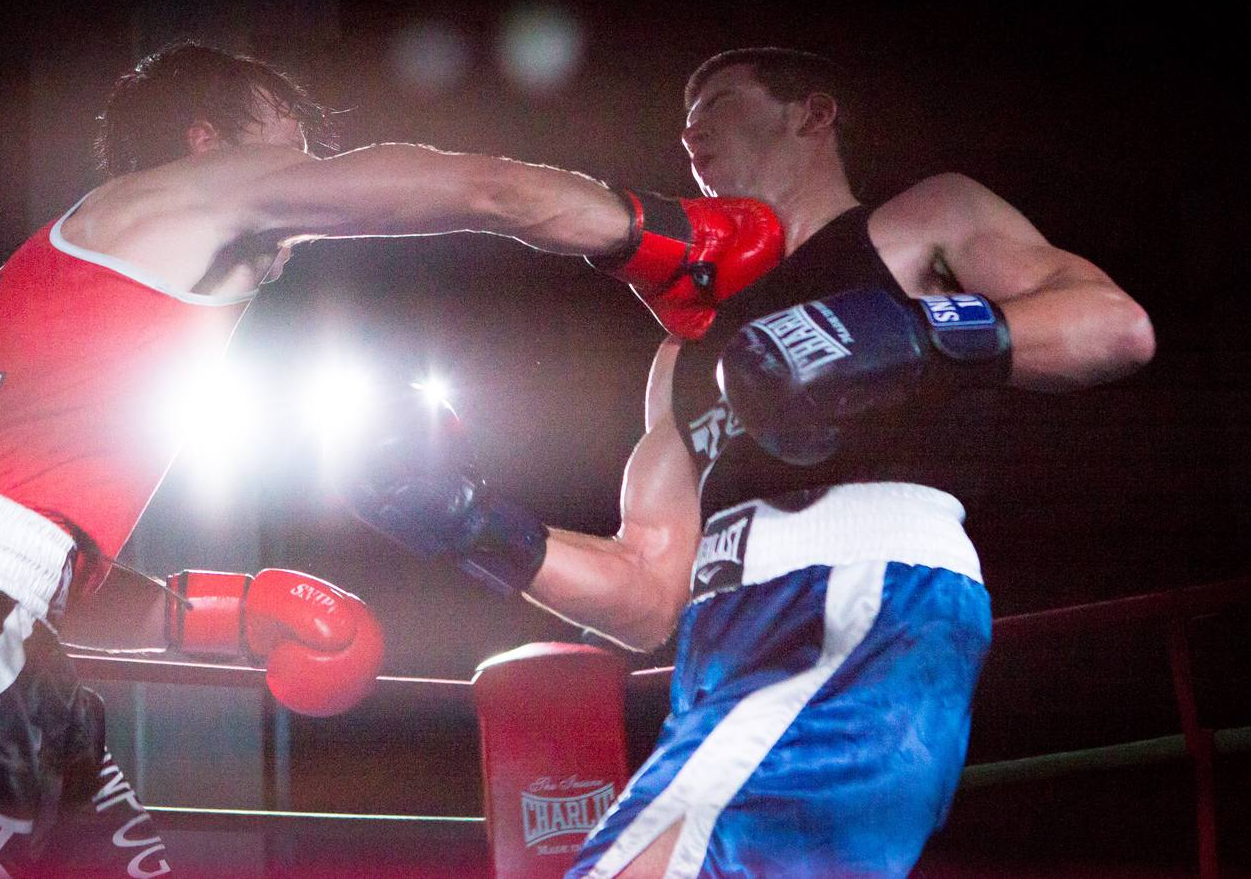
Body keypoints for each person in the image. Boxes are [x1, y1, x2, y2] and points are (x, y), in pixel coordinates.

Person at [0, 40, 781, 878]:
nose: (305, 180)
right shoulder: (174, 198)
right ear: (209, 142)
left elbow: (27, 556)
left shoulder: (107, 295)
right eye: (289, 147)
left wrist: (233, 613)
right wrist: (653, 235)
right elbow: (478, 189)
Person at [348, 47, 1155, 877]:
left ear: (813, 112)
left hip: (861, 604)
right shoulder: (683, 356)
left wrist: (915, 334)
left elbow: (1113, 324)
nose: (689, 129)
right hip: (719, 651)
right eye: (682, 115)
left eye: (718, 101)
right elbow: (647, 591)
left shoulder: (921, 223)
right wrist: (471, 523)